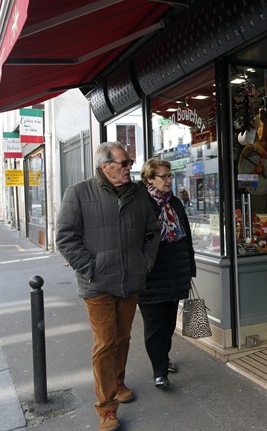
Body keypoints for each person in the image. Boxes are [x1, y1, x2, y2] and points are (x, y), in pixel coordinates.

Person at [56, 142, 160, 431]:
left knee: (123, 337)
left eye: (129, 163)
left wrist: (144, 263)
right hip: (97, 283)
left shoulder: (138, 191)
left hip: (130, 279)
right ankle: (106, 408)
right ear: (105, 166)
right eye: (124, 163)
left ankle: (118, 382)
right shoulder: (78, 193)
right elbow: (65, 238)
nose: (130, 167)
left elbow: (153, 231)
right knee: (104, 343)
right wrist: (91, 269)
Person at [138, 158, 196, 389]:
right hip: (151, 276)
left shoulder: (175, 203)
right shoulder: (141, 204)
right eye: (163, 176)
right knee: (154, 327)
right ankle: (159, 371)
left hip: (175, 274)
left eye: (169, 176)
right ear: (149, 179)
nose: (168, 180)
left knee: (169, 324)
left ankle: (164, 358)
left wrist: (189, 269)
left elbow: (187, 237)